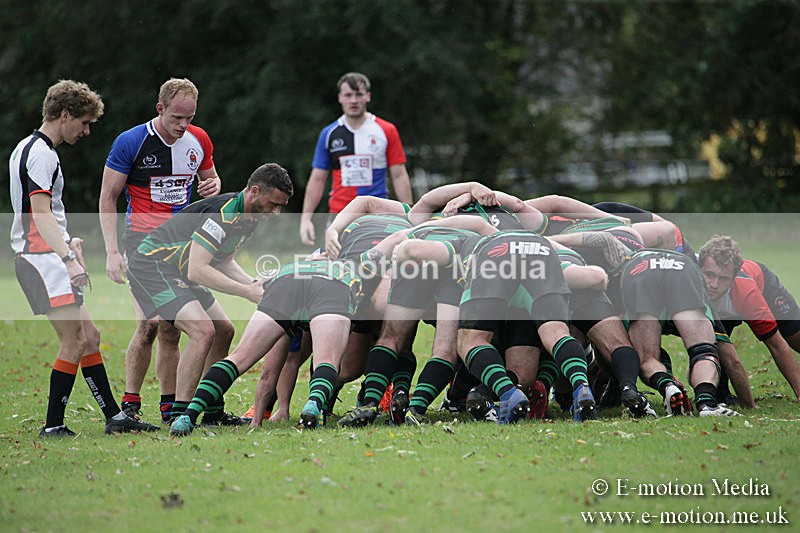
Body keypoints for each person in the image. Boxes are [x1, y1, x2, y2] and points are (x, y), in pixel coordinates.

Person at [10, 80, 158, 437]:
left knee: (90, 336)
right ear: (64, 115)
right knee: (74, 342)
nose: (87, 131)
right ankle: (53, 425)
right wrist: (67, 258)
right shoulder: (42, 154)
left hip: (48, 255)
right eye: (84, 123)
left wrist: (69, 244)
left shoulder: (27, 148)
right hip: (43, 260)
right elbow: (40, 213)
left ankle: (115, 418)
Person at [126, 163, 293, 426]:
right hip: (152, 265)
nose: (276, 212)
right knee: (203, 331)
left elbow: (222, 260)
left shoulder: (248, 218)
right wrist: (246, 292)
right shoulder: (222, 213)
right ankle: (179, 415)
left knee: (224, 330)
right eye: (273, 204)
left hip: (178, 269)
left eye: (280, 206)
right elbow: (198, 270)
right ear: (255, 191)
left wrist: (253, 283)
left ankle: (212, 411)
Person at [99, 78, 222, 423]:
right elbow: (108, 197)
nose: (184, 125)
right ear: (161, 109)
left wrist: (213, 184)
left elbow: (211, 184)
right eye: (177, 117)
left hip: (182, 246)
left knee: (171, 328)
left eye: (190, 117)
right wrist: (112, 252)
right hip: (142, 247)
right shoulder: (131, 142)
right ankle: (130, 406)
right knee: (150, 325)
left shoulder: (199, 140)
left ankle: (169, 408)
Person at [299, 72, 412, 246]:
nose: (353, 100)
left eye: (358, 94)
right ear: (339, 98)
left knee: (378, 264)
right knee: (336, 265)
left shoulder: (386, 130)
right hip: (339, 215)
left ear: (368, 96)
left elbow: (399, 175)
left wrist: (409, 214)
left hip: (377, 215)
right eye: (348, 95)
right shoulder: (329, 134)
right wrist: (305, 218)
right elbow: (317, 179)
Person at [699, 235, 800, 402]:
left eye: (723, 278)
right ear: (700, 268)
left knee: (795, 336)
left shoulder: (747, 294)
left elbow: (776, 345)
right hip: (724, 313)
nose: (714, 284)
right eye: (709, 275)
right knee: (714, 346)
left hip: (764, 287)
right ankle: (722, 396)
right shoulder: (689, 278)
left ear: (733, 277)